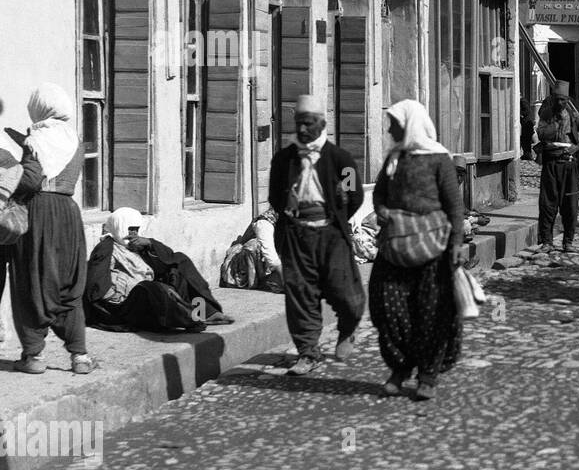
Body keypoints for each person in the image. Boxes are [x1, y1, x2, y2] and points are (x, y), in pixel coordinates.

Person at [370, 101, 468, 400]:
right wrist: (382, 210)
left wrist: (456, 245)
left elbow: (454, 206)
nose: (390, 129)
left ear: (409, 123)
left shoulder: (440, 159)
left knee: (432, 312)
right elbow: (379, 195)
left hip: (433, 249)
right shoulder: (395, 158)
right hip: (395, 248)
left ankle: (427, 375)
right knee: (388, 309)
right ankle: (400, 369)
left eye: (395, 124)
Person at [268, 93, 366, 377]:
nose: (302, 129)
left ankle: (347, 329)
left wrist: (335, 219)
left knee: (345, 293)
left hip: (332, 235)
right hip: (297, 235)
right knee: (300, 293)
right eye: (299, 123)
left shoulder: (340, 159)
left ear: (322, 123)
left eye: (308, 123)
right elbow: (275, 196)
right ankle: (308, 353)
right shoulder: (283, 159)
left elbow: (354, 195)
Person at [7, 85, 93, 375]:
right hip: (68, 214)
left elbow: (32, 179)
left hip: (39, 214)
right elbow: (58, 169)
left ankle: (33, 357)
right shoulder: (74, 139)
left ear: (39, 107)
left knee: (31, 281)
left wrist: (9, 177)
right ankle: (79, 356)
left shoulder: (37, 138)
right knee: (69, 285)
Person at [85, 208, 234, 332]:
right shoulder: (106, 248)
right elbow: (96, 288)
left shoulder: (135, 246)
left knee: (178, 266)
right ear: (119, 227)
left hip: (144, 296)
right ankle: (190, 319)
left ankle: (205, 312)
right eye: (130, 230)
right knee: (149, 288)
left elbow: (169, 259)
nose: (133, 234)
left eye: (136, 230)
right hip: (122, 306)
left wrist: (150, 244)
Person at [535, 80, 579, 253]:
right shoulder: (546, 115)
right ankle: (547, 241)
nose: (560, 103)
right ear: (553, 98)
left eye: (563, 100)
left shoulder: (574, 116)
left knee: (570, 205)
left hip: (569, 165)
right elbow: (541, 133)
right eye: (557, 99)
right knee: (547, 204)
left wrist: (577, 147)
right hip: (551, 164)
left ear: (567, 100)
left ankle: (568, 241)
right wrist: (554, 124)